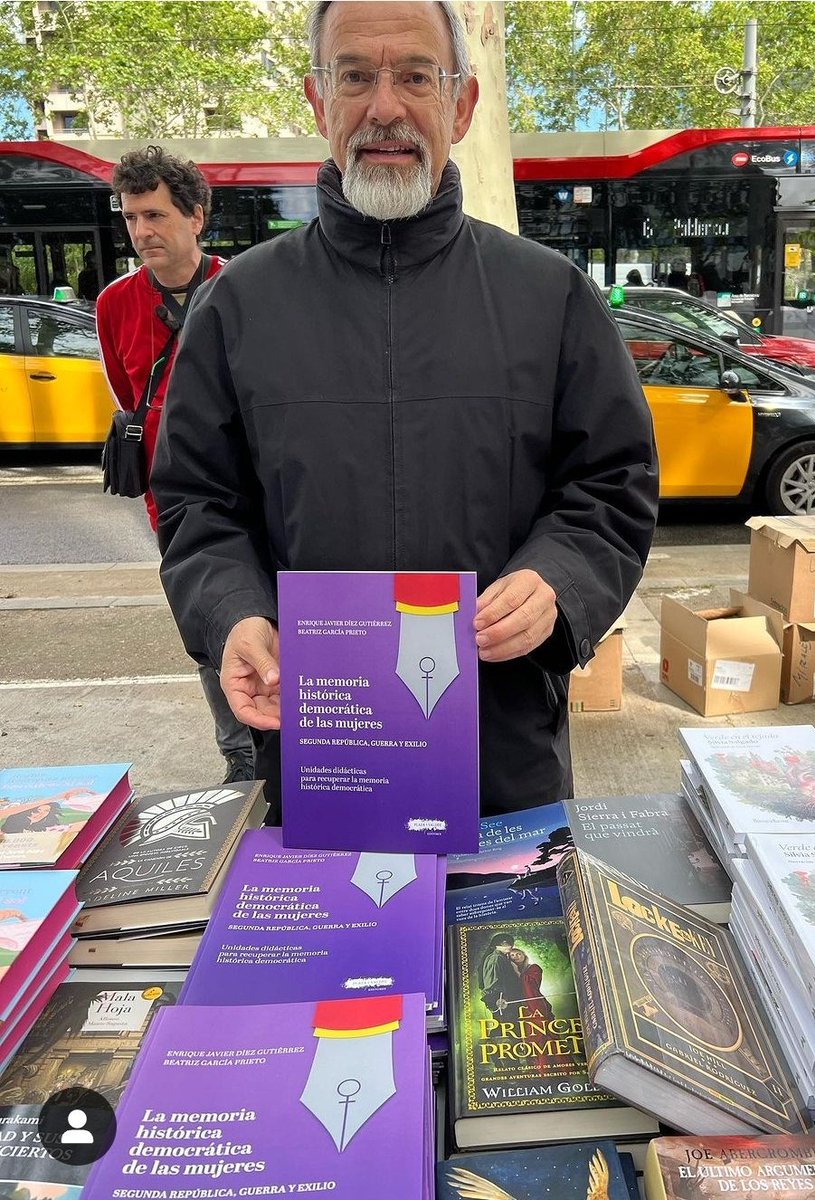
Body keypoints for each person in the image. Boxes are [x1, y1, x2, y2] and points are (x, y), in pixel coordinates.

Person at [152, 1, 658, 820]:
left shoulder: (549, 296)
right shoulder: (238, 305)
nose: (384, 106)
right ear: (319, 102)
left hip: (505, 762)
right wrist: (233, 615)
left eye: (415, 76)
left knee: (512, 954)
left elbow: (611, 482)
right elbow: (196, 504)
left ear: (460, 105)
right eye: (355, 75)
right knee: (343, 950)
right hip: (318, 755)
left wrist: (557, 580)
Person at [95, 146, 255, 785]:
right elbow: (126, 394)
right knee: (210, 624)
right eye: (131, 218)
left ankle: (296, 746)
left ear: (196, 216)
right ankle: (240, 760)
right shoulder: (114, 305)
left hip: (254, 491)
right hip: (176, 505)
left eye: (155, 215)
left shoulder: (246, 290)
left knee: (271, 616)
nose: (141, 233)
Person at [479, 931, 522, 1019]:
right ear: (501, 944)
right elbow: (492, 983)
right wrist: (499, 999)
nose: (511, 946)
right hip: (502, 1001)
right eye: (507, 943)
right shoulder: (496, 958)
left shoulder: (501, 958)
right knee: (504, 1026)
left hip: (507, 1000)